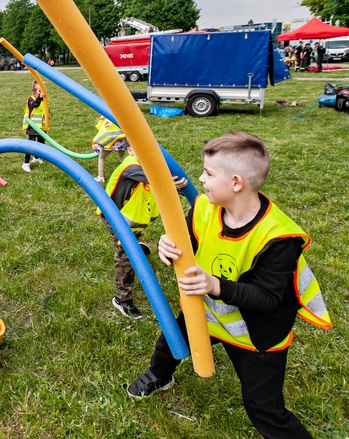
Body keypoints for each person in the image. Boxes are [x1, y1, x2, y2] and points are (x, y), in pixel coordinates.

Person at [125, 131, 331, 439]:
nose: (200, 179)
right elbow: (186, 239)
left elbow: (267, 298)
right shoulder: (204, 207)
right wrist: (169, 247)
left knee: (263, 407)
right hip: (205, 313)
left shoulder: (278, 237)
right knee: (169, 342)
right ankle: (159, 375)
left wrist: (213, 285)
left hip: (256, 334)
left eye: (208, 173)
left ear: (236, 183)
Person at [98, 148, 188, 318]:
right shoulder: (130, 167)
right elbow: (152, 178)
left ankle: (136, 245)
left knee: (133, 239)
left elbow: (159, 182)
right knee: (126, 253)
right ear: (131, 150)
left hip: (132, 218)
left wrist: (179, 188)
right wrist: (168, 183)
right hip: (115, 217)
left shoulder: (150, 167)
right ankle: (122, 299)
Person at [92, 116, 128, 183]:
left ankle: (101, 177)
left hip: (110, 141)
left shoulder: (108, 113)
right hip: (120, 140)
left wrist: (102, 117)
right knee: (122, 158)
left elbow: (102, 117)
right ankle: (128, 174)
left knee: (102, 157)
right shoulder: (121, 115)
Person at [21, 80, 47, 173]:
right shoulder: (31, 99)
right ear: (34, 92)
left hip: (40, 127)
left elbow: (44, 110)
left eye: (42, 90)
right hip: (32, 126)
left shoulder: (43, 100)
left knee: (41, 143)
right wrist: (39, 98)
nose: (41, 93)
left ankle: (36, 157)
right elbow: (35, 105)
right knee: (31, 145)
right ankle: (26, 163)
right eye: (39, 91)